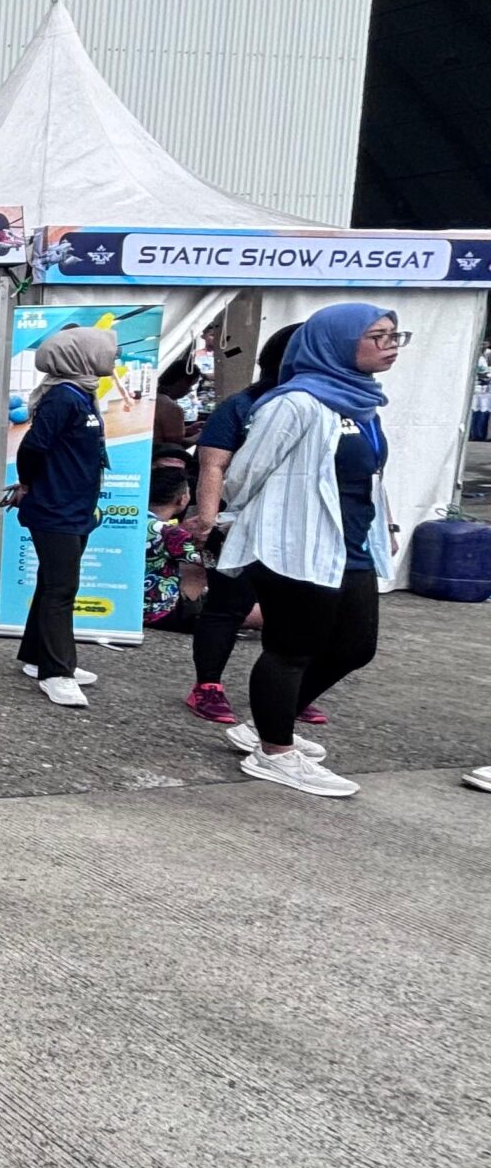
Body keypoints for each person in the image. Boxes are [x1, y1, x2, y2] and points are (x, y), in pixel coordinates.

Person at [214, 303, 402, 799]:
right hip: (296, 542)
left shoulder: (362, 403)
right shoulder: (294, 403)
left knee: (354, 647)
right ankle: (274, 752)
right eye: (378, 336)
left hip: (351, 544)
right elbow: (244, 474)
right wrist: (260, 521)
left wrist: (386, 524)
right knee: (292, 648)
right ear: (336, 342)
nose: (390, 346)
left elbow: (368, 476)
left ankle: (266, 723)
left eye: (395, 336)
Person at [179, 323, 314, 726]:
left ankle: (287, 689)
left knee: (296, 610)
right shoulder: (242, 406)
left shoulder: (336, 407)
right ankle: (207, 685)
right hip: (240, 522)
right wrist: (208, 519)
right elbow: (213, 465)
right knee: (228, 604)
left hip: (302, 526)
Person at [12, 325, 114, 708]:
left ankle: (37, 656)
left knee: (51, 583)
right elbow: (32, 447)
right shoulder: (63, 397)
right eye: (105, 349)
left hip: (75, 506)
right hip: (55, 509)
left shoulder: (82, 393)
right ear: (80, 356)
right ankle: (57, 673)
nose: (113, 356)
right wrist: (27, 484)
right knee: (61, 589)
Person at [141, 467, 216, 634]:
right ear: (183, 499)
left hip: (123, 607)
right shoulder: (169, 532)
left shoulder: (128, 521)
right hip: (157, 612)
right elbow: (210, 563)